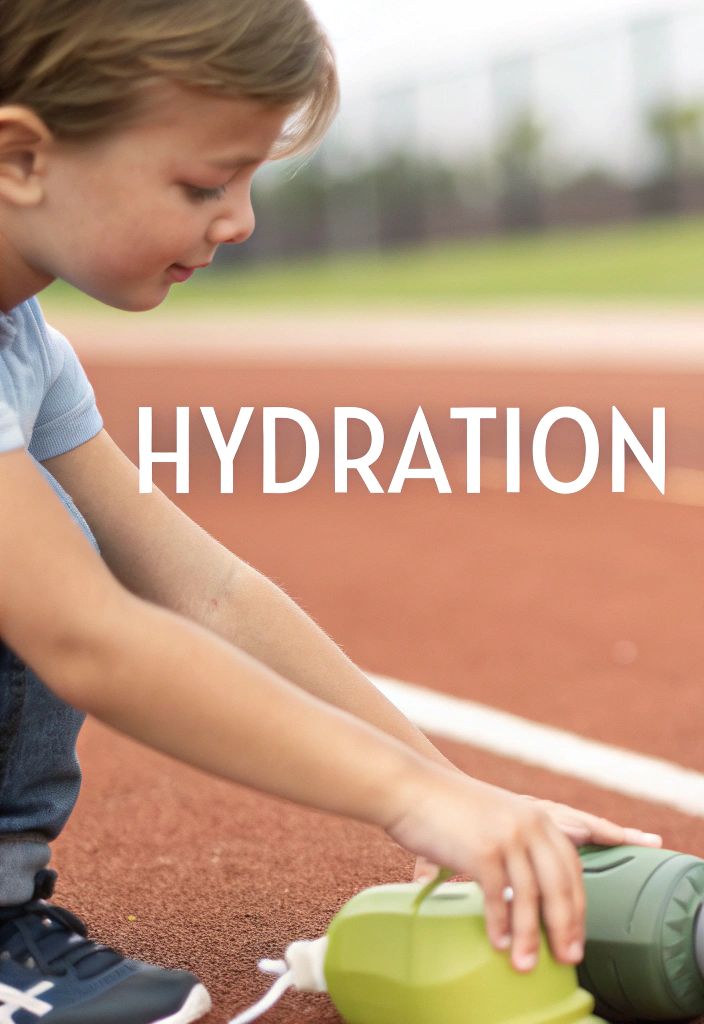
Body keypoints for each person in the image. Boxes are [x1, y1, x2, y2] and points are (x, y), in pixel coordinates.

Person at [0, 3, 662, 1021]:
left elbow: (203, 588)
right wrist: (411, 799)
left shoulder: (24, 341)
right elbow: (86, 635)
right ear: (22, 157)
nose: (240, 220)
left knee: (64, 529)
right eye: (203, 183)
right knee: (45, 561)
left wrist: (458, 797)